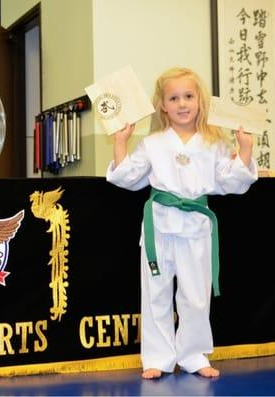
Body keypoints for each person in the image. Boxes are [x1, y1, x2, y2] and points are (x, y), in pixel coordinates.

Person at [106, 66, 258, 379]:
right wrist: (121, 142)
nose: (182, 103)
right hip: (158, 227)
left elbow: (233, 181)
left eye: (188, 96)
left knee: (196, 295)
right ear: (162, 105)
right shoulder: (153, 143)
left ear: (200, 101)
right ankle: (157, 358)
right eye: (174, 98)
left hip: (197, 228)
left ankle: (193, 354)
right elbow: (127, 177)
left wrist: (245, 148)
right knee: (156, 293)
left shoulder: (213, 143)